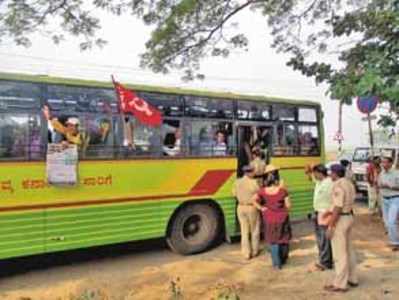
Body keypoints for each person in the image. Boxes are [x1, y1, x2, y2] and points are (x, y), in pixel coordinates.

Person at [324, 164, 358, 293]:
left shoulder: (338, 186)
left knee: (339, 253)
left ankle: (340, 284)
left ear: (335, 173)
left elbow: (337, 207)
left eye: (331, 172)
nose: (329, 175)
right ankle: (353, 278)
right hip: (349, 216)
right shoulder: (349, 183)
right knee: (349, 250)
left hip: (341, 219)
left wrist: (331, 225)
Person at [253, 165, 292, 270]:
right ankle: (283, 259)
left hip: (269, 218)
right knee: (283, 239)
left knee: (273, 241)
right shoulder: (282, 191)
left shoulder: (262, 191)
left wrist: (262, 208)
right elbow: (288, 206)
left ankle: (276, 264)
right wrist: (283, 212)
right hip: (282, 218)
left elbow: (254, 201)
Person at [232, 165, 261, 260]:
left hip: (240, 207)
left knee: (244, 230)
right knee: (254, 230)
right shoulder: (254, 182)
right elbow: (260, 194)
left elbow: (233, 194)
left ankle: (246, 253)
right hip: (251, 207)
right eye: (253, 172)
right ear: (250, 172)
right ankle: (255, 250)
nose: (254, 173)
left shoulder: (237, 182)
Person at [310, 164, 334, 271]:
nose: (313, 175)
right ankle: (323, 259)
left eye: (315, 173)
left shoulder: (329, 183)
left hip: (325, 213)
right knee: (320, 238)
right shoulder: (319, 182)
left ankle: (326, 262)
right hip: (317, 212)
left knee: (324, 238)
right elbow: (309, 173)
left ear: (320, 173)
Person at [377, 156, 399, 251]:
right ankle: (393, 239)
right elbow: (378, 185)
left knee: (391, 221)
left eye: (386, 162)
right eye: (382, 162)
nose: (384, 164)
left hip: (395, 199)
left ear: (390, 163)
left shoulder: (396, 173)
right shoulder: (381, 173)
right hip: (384, 199)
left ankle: (395, 243)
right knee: (386, 222)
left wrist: (390, 186)